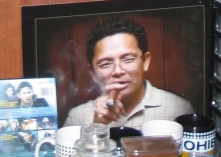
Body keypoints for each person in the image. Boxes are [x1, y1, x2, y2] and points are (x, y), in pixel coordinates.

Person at [63, 16, 194, 128]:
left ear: (145, 61)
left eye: (128, 59)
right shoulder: (77, 117)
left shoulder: (179, 109)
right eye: (106, 64)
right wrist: (97, 125)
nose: (118, 71)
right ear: (93, 72)